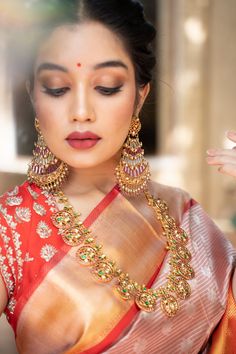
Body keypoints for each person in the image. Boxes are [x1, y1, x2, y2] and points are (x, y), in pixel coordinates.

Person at [0, 1, 235, 353]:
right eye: (57, 87)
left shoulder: (182, 214)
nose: (81, 112)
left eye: (107, 87)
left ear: (140, 97)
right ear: (34, 95)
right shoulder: (11, 228)